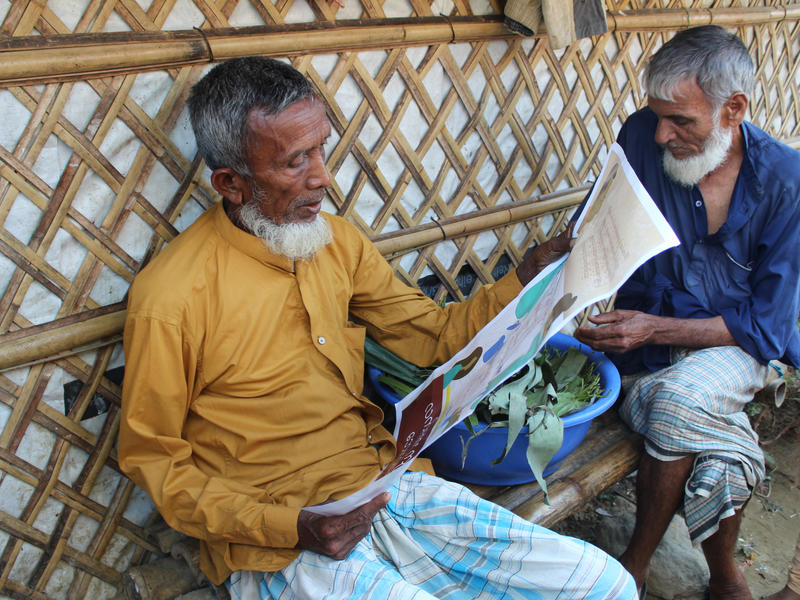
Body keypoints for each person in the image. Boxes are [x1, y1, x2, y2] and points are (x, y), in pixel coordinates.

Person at [118, 56, 636, 600]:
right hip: (281, 540)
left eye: (321, 148)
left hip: (387, 488)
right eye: (295, 162)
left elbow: (434, 336)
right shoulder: (172, 298)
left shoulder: (336, 244)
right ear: (231, 183)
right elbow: (154, 461)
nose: (322, 177)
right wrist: (291, 526)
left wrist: (525, 280)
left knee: (606, 586)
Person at [574, 25, 800, 600]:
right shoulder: (641, 137)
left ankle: (636, 563)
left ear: (734, 110)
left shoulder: (786, 182)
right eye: (657, 116)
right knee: (703, 437)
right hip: (643, 354)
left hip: (738, 350)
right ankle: (726, 579)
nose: (662, 133)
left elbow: (766, 328)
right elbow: (594, 225)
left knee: (678, 402)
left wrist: (654, 325)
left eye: (682, 122)